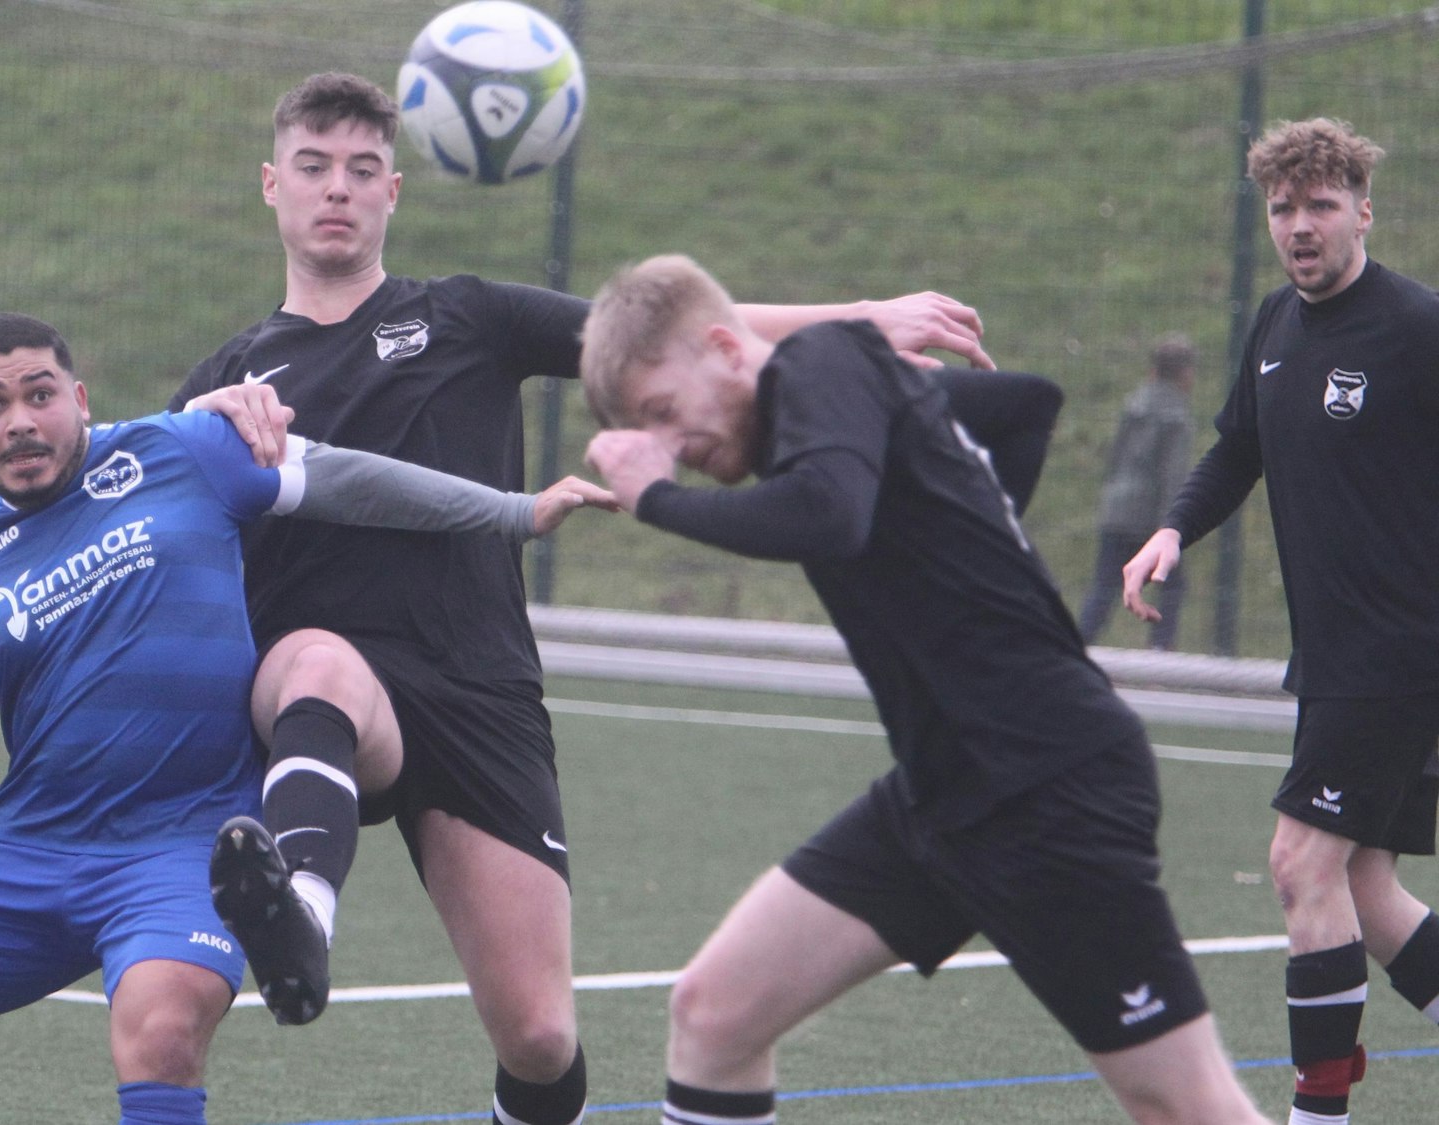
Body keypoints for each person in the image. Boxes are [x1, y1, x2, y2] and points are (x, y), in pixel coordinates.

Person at [166, 70, 995, 1125]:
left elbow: (675, 332)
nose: (338, 188)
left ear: (394, 193)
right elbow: (140, 529)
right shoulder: (223, 380)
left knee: (542, 1039)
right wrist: (200, 428)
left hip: (475, 686)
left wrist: (860, 320)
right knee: (319, 661)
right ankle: (301, 926)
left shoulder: (462, 316)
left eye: (362, 170)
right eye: (316, 168)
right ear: (272, 184)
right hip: (317, 688)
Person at [0, 312, 614, 1125]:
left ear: (79, 398)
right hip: (30, 843)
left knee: (162, 1032)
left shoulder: (182, 451)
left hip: (186, 844)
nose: (19, 419)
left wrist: (515, 512)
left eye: (39, 394)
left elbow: (353, 481)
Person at [579, 253, 1275, 1125]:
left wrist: (652, 497)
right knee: (714, 1014)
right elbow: (1025, 407)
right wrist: (953, 534)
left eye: (662, 413)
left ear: (726, 347)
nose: (667, 448)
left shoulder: (817, 363)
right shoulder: (851, 386)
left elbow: (827, 515)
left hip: (1047, 785)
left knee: (1184, 1104)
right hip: (944, 791)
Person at [1121, 117, 1439, 1125]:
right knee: (1365, 891)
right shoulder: (1273, 324)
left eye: (1319, 206)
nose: (1298, 227)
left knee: (1296, 863)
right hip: (1334, 657)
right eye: (1280, 209)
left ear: (1361, 212)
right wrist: (1171, 531)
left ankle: (1315, 1115)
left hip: (1399, 653)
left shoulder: (1415, 328)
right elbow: (1233, 450)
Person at [1077, 334, 1196, 649]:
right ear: (1184, 373)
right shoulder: (1176, 417)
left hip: (1116, 506)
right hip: (1149, 514)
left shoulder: (1135, 404)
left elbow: (1115, 457)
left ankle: (1076, 645)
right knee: (1171, 584)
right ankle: (1160, 650)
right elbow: (1172, 475)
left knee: (1104, 586)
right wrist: (1172, 524)